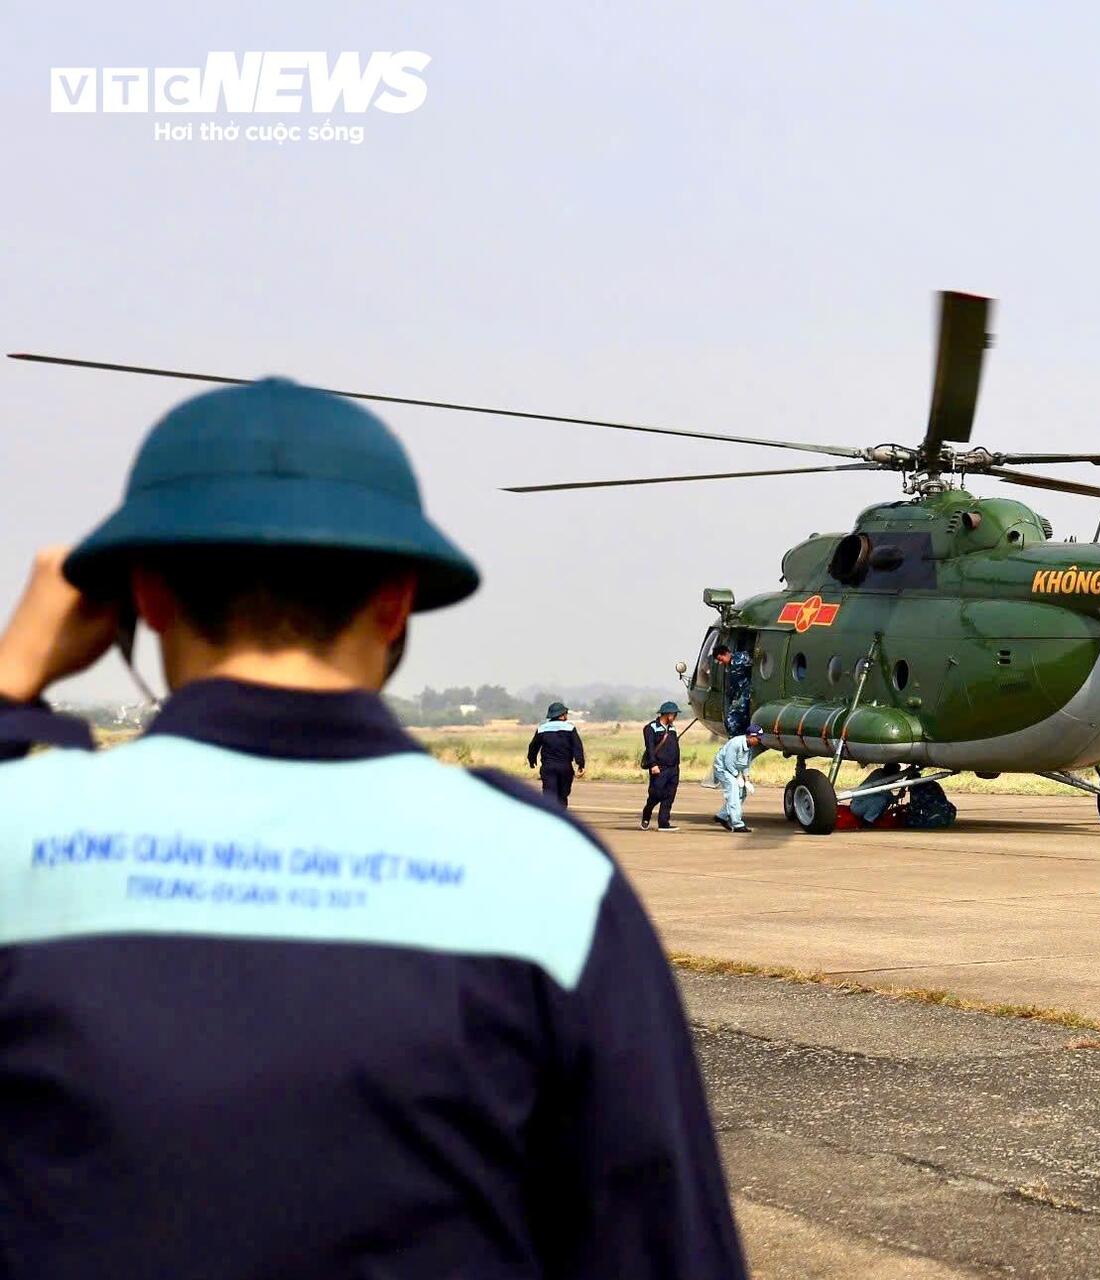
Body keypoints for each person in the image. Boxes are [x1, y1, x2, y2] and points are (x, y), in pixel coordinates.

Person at [0, 378, 745, 1280]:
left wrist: (12, 683)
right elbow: (665, 1245)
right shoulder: (542, 872)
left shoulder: (22, 830)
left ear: (145, 598)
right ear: (396, 602)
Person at [527, 698, 586, 808]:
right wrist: (580, 764)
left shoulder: (542, 729)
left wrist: (532, 760)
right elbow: (577, 747)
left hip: (548, 768)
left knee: (549, 796)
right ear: (562, 715)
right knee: (562, 796)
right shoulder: (570, 728)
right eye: (566, 713)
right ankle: (561, 814)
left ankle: (551, 815)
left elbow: (533, 747)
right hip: (565, 768)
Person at [709, 723, 763, 833]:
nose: (759, 741)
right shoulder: (736, 743)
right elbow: (728, 762)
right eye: (758, 738)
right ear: (750, 736)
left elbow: (745, 764)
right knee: (733, 792)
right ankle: (737, 824)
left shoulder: (750, 747)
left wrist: (747, 780)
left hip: (734, 770)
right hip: (723, 769)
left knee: (742, 793)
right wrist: (737, 776)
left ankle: (722, 816)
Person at [642, 699, 683, 831]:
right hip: (659, 767)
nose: (675, 717)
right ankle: (647, 812)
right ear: (668, 714)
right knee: (656, 793)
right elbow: (650, 748)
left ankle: (664, 823)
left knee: (670, 795)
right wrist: (653, 764)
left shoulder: (672, 728)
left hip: (673, 768)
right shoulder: (651, 728)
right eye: (674, 714)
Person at [711, 641, 752, 735]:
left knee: (732, 720)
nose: (721, 663)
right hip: (740, 695)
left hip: (747, 694)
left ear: (726, 653)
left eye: (721, 659)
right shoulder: (730, 666)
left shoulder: (741, 658)